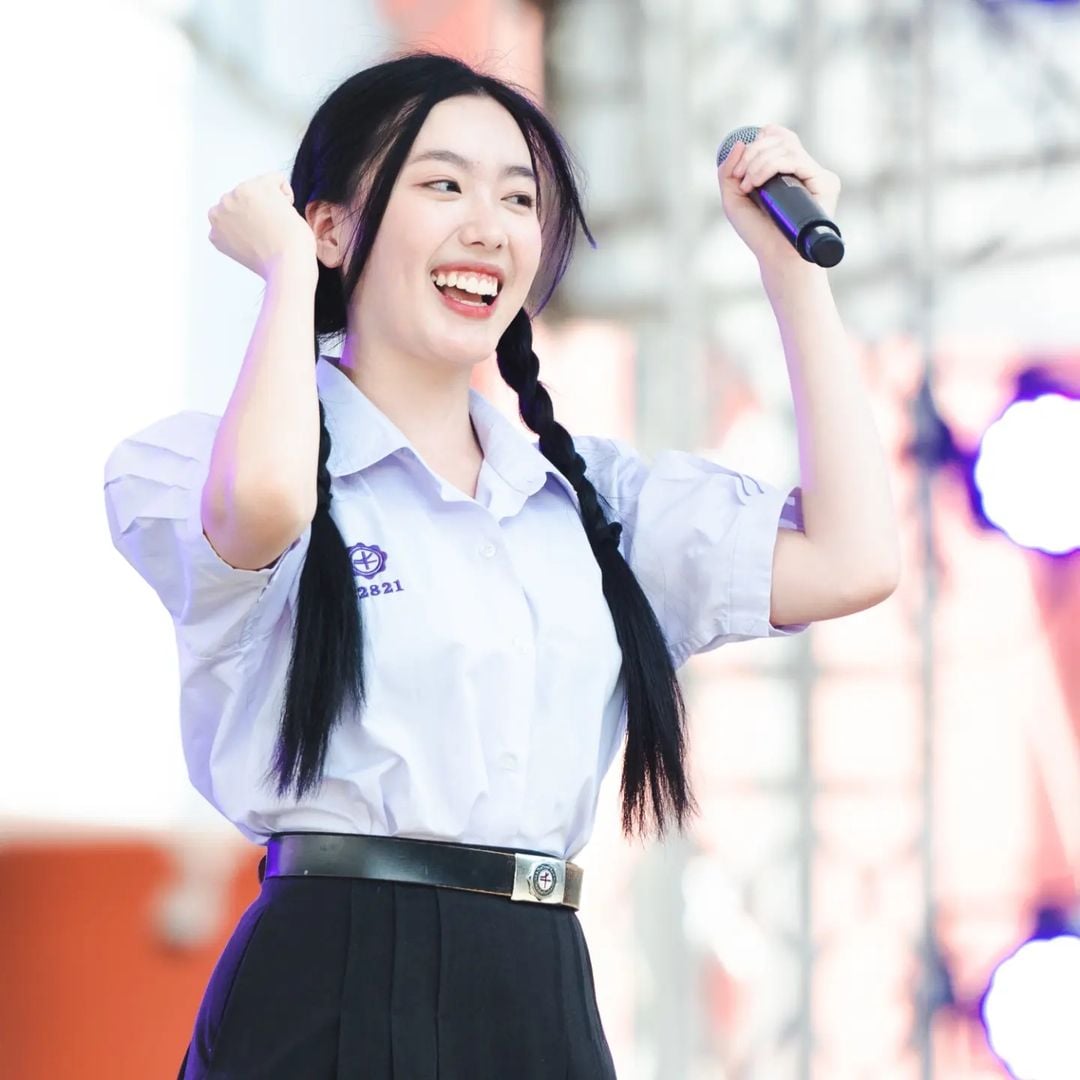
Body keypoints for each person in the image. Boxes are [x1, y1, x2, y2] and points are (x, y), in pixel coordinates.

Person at [103, 51, 899, 1080]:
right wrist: (289, 275)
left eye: (519, 198)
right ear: (333, 227)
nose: (490, 226)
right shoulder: (204, 462)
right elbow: (264, 502)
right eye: (443, 185)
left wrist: (792, 274)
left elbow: (852, 559)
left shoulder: (589, 502)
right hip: (332, 969)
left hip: (540, 977)